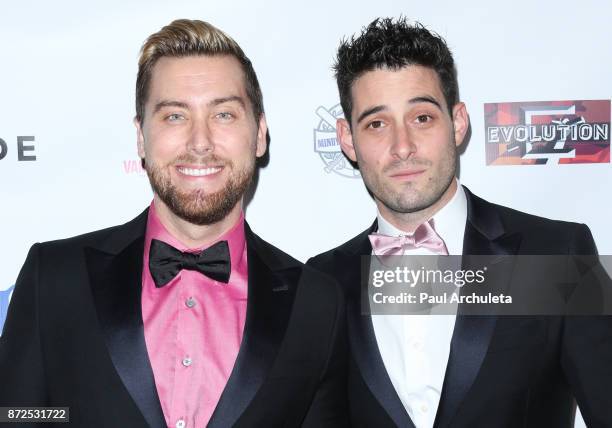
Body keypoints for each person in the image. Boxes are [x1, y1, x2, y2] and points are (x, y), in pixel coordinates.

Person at [0, 19, 347, 428]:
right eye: (174, 116)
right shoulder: (55, 276)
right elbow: (18, 417)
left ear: (260, 135)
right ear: (141, 138)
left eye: (224, 113)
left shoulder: (317, 304)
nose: (200, 141)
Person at [308, 17, 612, 427]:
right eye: (377, 124)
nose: (402, 147)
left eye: (422, 118)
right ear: (347, 139)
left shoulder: (555, 253)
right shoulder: (322, 283)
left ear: (458, 122)